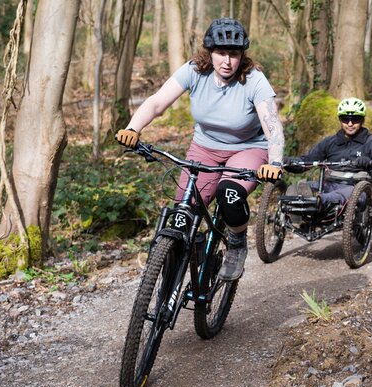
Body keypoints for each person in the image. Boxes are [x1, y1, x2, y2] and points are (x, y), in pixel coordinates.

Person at [115, 17, 285, 282]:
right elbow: (157, 102)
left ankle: (237, 242)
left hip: (248, 149)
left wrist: (274, 163)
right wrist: (132, 128)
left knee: (228, 192)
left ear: (242, 55)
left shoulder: (254, 80)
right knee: (183, 215)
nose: (227, 61)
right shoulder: (194, 71)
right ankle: (190, 267)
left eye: (234, 54)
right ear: (209, 52)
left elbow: (272, 126)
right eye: (220, 53)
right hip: (204, 148)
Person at [284, 97, 372, 206]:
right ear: (340, 119)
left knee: (347, 194)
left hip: (357, 188)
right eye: (345, 119)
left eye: (355, 119)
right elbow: (308, 160)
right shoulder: (330, 142)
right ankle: (297, 216)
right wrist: (288, 162)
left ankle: (320, 200)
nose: (350, 124)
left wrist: (370, 164)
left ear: (362, 120)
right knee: (298, 188)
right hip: (329, 185)